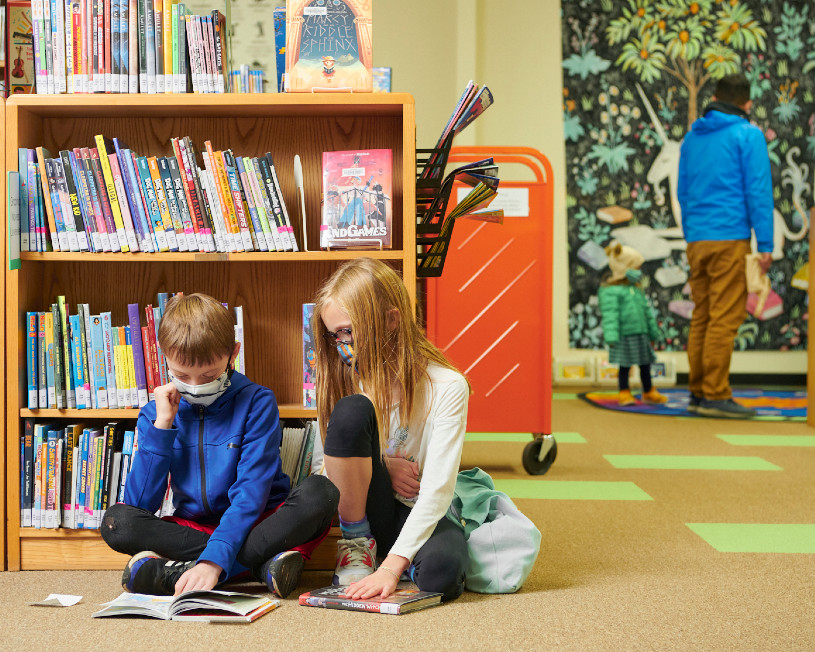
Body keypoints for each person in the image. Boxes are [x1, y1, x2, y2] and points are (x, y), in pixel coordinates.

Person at [101, 293, 339, 598]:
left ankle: (182, 571)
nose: (197, 386)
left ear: (233, 354)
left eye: (210, 375)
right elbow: (140, 506)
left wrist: (213, 562)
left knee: (321, 494)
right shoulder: (155, 413)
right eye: (183, 375)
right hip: (193, 529)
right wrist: (163, 427)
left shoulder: (257, 401)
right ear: (164, 359)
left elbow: (250, 495)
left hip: (257, 520)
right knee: (117, 523)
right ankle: (257, 565)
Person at [312, 257, 470, 603]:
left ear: (391, 321)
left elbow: (438, 490)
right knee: (353, 411)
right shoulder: (347, 379)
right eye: (335, 334)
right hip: (366, 510)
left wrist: (391, 568)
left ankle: (391, 555)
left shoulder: (448, 386)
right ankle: (360, 546)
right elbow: (325, 470)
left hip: (417, 506)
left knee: (443, 575)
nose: (342, 346)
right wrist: (382, 466)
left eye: (349, 331)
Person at [677, 73, 774, 418]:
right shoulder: (748, 135)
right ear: (746, 104)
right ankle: (716, 394)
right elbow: (758, 191)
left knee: (702, 315)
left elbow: (683, 192)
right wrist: (765, 243)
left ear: (715, 97)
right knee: (724, 318)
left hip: (698, 241)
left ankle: (699, 392)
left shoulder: (692, 138)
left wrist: (692, 235)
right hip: (730, 239)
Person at [598, 242, 667, 406]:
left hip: (641, 333)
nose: (638, 272)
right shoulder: (611, 291)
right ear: (623, 269)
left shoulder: (637, 289)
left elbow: (647, 313)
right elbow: (610, 315)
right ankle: (624, 392)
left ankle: (648, 391)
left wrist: (652, 332)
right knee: (625, 366)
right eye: (635, 268)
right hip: (624, 335)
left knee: (645, 364)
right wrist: (611, 336)